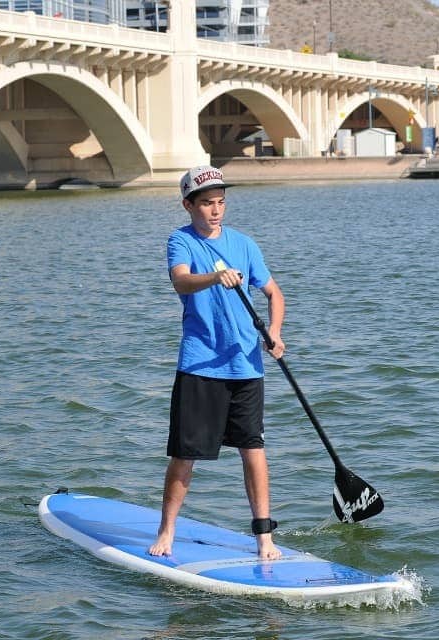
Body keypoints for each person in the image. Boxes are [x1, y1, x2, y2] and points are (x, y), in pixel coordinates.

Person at [147, 165, 286, 560]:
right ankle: (167, 530)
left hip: (245, 366)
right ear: (188, 204)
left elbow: (274, 294)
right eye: (207, 203)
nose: (215, 210)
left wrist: (274, 332)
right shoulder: (181, 241)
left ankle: (264, 537)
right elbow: (181, 281)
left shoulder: (245, 244)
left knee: (253, 450)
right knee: (185, 455)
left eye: (221, 202)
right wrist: (214, 277)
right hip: (200, 365)